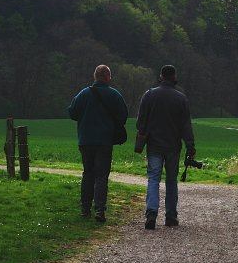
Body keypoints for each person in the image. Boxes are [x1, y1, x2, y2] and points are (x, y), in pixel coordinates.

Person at [135, 64, 196, 230]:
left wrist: (144, 134)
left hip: (154, 145)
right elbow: (186, 126)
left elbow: (140, 123)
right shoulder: (181, 98)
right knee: (171, 180)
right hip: (173, 147)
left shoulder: (149, 95)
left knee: (153, 178)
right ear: (174, 77)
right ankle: (170, 216)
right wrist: (190, 145)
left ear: (161, 76)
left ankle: (151, 214)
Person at [67, 64, 128, 222]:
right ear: (108, 77)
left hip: (86, 140)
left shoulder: (83, 93)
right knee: (101, 176)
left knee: (88, 173)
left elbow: (72, 112)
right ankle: (100, 210)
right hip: (104, 141)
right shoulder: (114, 95)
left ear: (95, 77)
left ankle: (85, 209)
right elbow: (123, 117)